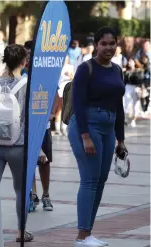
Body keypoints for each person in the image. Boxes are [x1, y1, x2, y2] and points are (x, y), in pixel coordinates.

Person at [68, 27, 127, 247]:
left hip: (108, 126)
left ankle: (88, 233)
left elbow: (119, 106)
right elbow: (78, 104)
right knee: (90, 180)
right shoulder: (86, 69)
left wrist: (121, 140)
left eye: (112, 43)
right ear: (96, 44)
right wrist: (85, 136)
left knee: (100, 180)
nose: (109, 47)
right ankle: (81, 237)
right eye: (104, 43)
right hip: (87, 125)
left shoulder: (118, 70)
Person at [0, 44, 33, 242]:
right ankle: (21, 231)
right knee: (21, 189)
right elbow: (29, 118)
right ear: (24, 62)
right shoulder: (27, 84)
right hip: (18, 145)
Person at [123, 59, 144, 127]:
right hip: (128, 87)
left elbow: (140, 80)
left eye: (131, 61)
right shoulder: (126, 71)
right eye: (129, 62)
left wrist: (140, 89)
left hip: (136, 87)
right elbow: (124, 81)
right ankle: (125, 119)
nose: (129, 63)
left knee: (135, 105)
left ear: (135, 63)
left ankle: (133, 121)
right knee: (127, 103)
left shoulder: (139, 71)